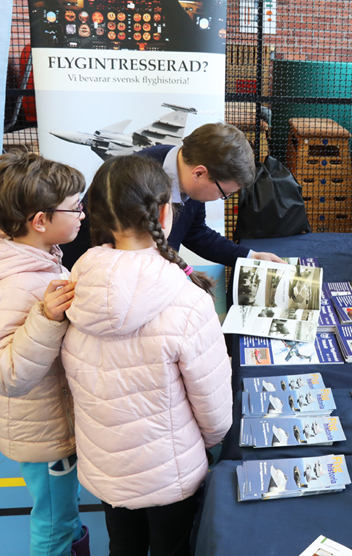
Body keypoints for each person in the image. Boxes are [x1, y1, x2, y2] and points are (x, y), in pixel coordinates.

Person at [61, 155, 233, 555]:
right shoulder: (188, 301)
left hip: (106, 469)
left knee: (123, 545)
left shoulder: (71, 288)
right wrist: (204, 444)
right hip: (171, 473)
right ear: (162, 212)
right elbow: (214, 412)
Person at [0, 151, 90, 556]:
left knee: (65, 514)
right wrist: (45, 318)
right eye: (75, 208)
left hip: (50, 423)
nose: (83, 215)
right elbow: (8, 375)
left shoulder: (36, 261)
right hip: (44, 434)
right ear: (40, 221)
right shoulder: (21, 285)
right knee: (53, 524)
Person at [61, 121, 283, 269]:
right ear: (200, 172)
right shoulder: (133, 178)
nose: (220, 199)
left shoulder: (186, 170)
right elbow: (102, 243)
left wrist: (249, 256)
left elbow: (196, 234)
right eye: (224, 193)